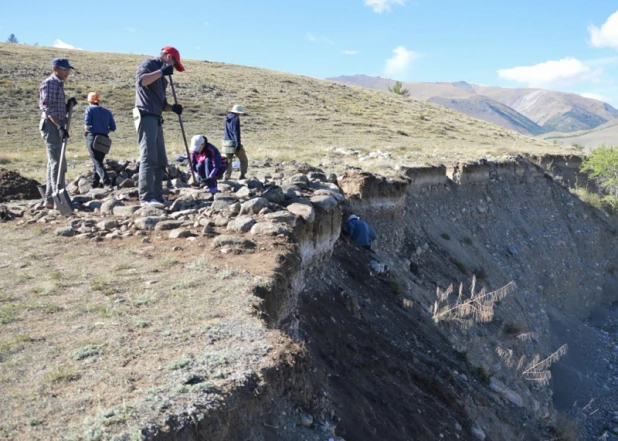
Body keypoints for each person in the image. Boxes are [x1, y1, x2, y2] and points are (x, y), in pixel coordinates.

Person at [135, 46, 185, 207]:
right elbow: (142, 81)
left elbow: (162, 104)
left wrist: (172, 108)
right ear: (168, 57)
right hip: (146, 115)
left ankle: (156, 196)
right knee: (148, 156)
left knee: (161, 159)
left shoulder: (163, 79)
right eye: (174, 63)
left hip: (157, 117)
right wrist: (162, 72)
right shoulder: (149, 65)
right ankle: (146, 197)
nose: (174, 68)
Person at [39, 58, 76, 209]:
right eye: (64, 69)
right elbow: (47, 108)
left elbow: (55, 107)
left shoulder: (58, 85)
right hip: (51, 126)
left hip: (56, 125)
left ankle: (49, 199)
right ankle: (57, 198)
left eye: (68, 69)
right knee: (58, 163)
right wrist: (59, 126)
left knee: (53, 162)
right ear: (55, 68)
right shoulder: (49, 83)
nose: (67, 72)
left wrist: (67, 107)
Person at [84, 92, 116, 188]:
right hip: (104, 139)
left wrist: (87, 130)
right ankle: (94, 184)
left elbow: (87, 126)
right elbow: (113, 128)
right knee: (98, 162)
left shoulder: (89, 109)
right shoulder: (107, 112)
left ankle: (107, 183)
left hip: (93, 137)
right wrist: (104, 130)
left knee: (97, 162)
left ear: (89, 101)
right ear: (98, 101)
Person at [222, 104, 248, 180]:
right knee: (243, 159)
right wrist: (238, 144)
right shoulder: (236, 119)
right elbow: (236, 132)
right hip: (234, 142)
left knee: (228, 161)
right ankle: (242, 175)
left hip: (226, 142)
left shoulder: (227, 118)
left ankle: (227, 176)